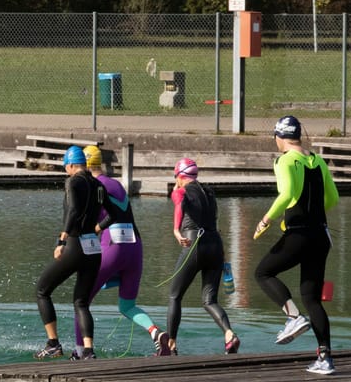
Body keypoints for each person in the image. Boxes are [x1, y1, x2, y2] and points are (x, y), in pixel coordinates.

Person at [253, 115, 340, 375]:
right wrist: (313, 218)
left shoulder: (284, 160)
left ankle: (293, 316)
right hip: (321, 236)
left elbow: (288, 193)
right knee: (313, 299)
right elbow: (333, 198)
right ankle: (325, 359)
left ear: (279, 138)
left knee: (263, 273)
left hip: (299, 234)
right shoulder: (317, 160)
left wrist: (267, 219)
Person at [70, 145, 171, 358]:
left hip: (112, 246)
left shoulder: (90, 186)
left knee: (81, 301)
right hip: (135, 248)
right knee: (127, 305)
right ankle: (156, 333)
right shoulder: (117, 184)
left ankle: (80, 352)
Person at [34, 145, 104, 359]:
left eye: (66, 167)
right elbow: (117, 213)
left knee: (42, 290)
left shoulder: (73, 181)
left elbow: (73, 209)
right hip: (94, 247)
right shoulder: (98, 183)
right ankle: (89, 351)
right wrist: (98, 228)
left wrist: (62, 240)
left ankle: (53, 343)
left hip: (75, 245)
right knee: (81, 302)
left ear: (71, 165)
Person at [167, 158, 239, 355]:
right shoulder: (209, 192)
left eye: (177, 177)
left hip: (194, 245)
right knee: (210, 300)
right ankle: (229, 334)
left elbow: (178, 200)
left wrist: (175, 230)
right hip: (215, 245)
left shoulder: (182, 190)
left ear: (180, 176)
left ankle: (171, 345)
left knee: (175, 296)